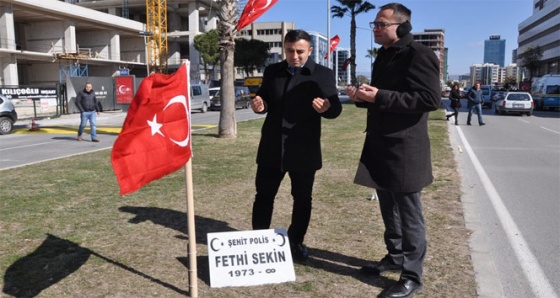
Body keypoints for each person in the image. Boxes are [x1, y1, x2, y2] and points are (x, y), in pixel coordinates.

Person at [345, 3, 440, 298]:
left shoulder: (420, 55)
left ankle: (411, 275)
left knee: (409, 214)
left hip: (405, 148)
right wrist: (362, 96)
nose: (374, 28)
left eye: (380, 24)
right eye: (374, 24)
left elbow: (429, 99)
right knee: (388, 207)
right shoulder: (384, 55)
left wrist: (380, 95)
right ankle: (395, 256)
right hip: (380, 144)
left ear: (400, 26)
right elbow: (383, 98)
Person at [250, 29, 342, 261]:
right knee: (263, 195)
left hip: (303, 148)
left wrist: (327, 108)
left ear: (310, 51)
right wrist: (260, 105)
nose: (295, 56)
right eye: (290, 51)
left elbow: (335, 108)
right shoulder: (273, 71)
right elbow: (264, 99)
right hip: (272, 146)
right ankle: (258, 240)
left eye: (300, 51)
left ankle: (295, 241)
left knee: (302, 199)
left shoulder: (323, 74)